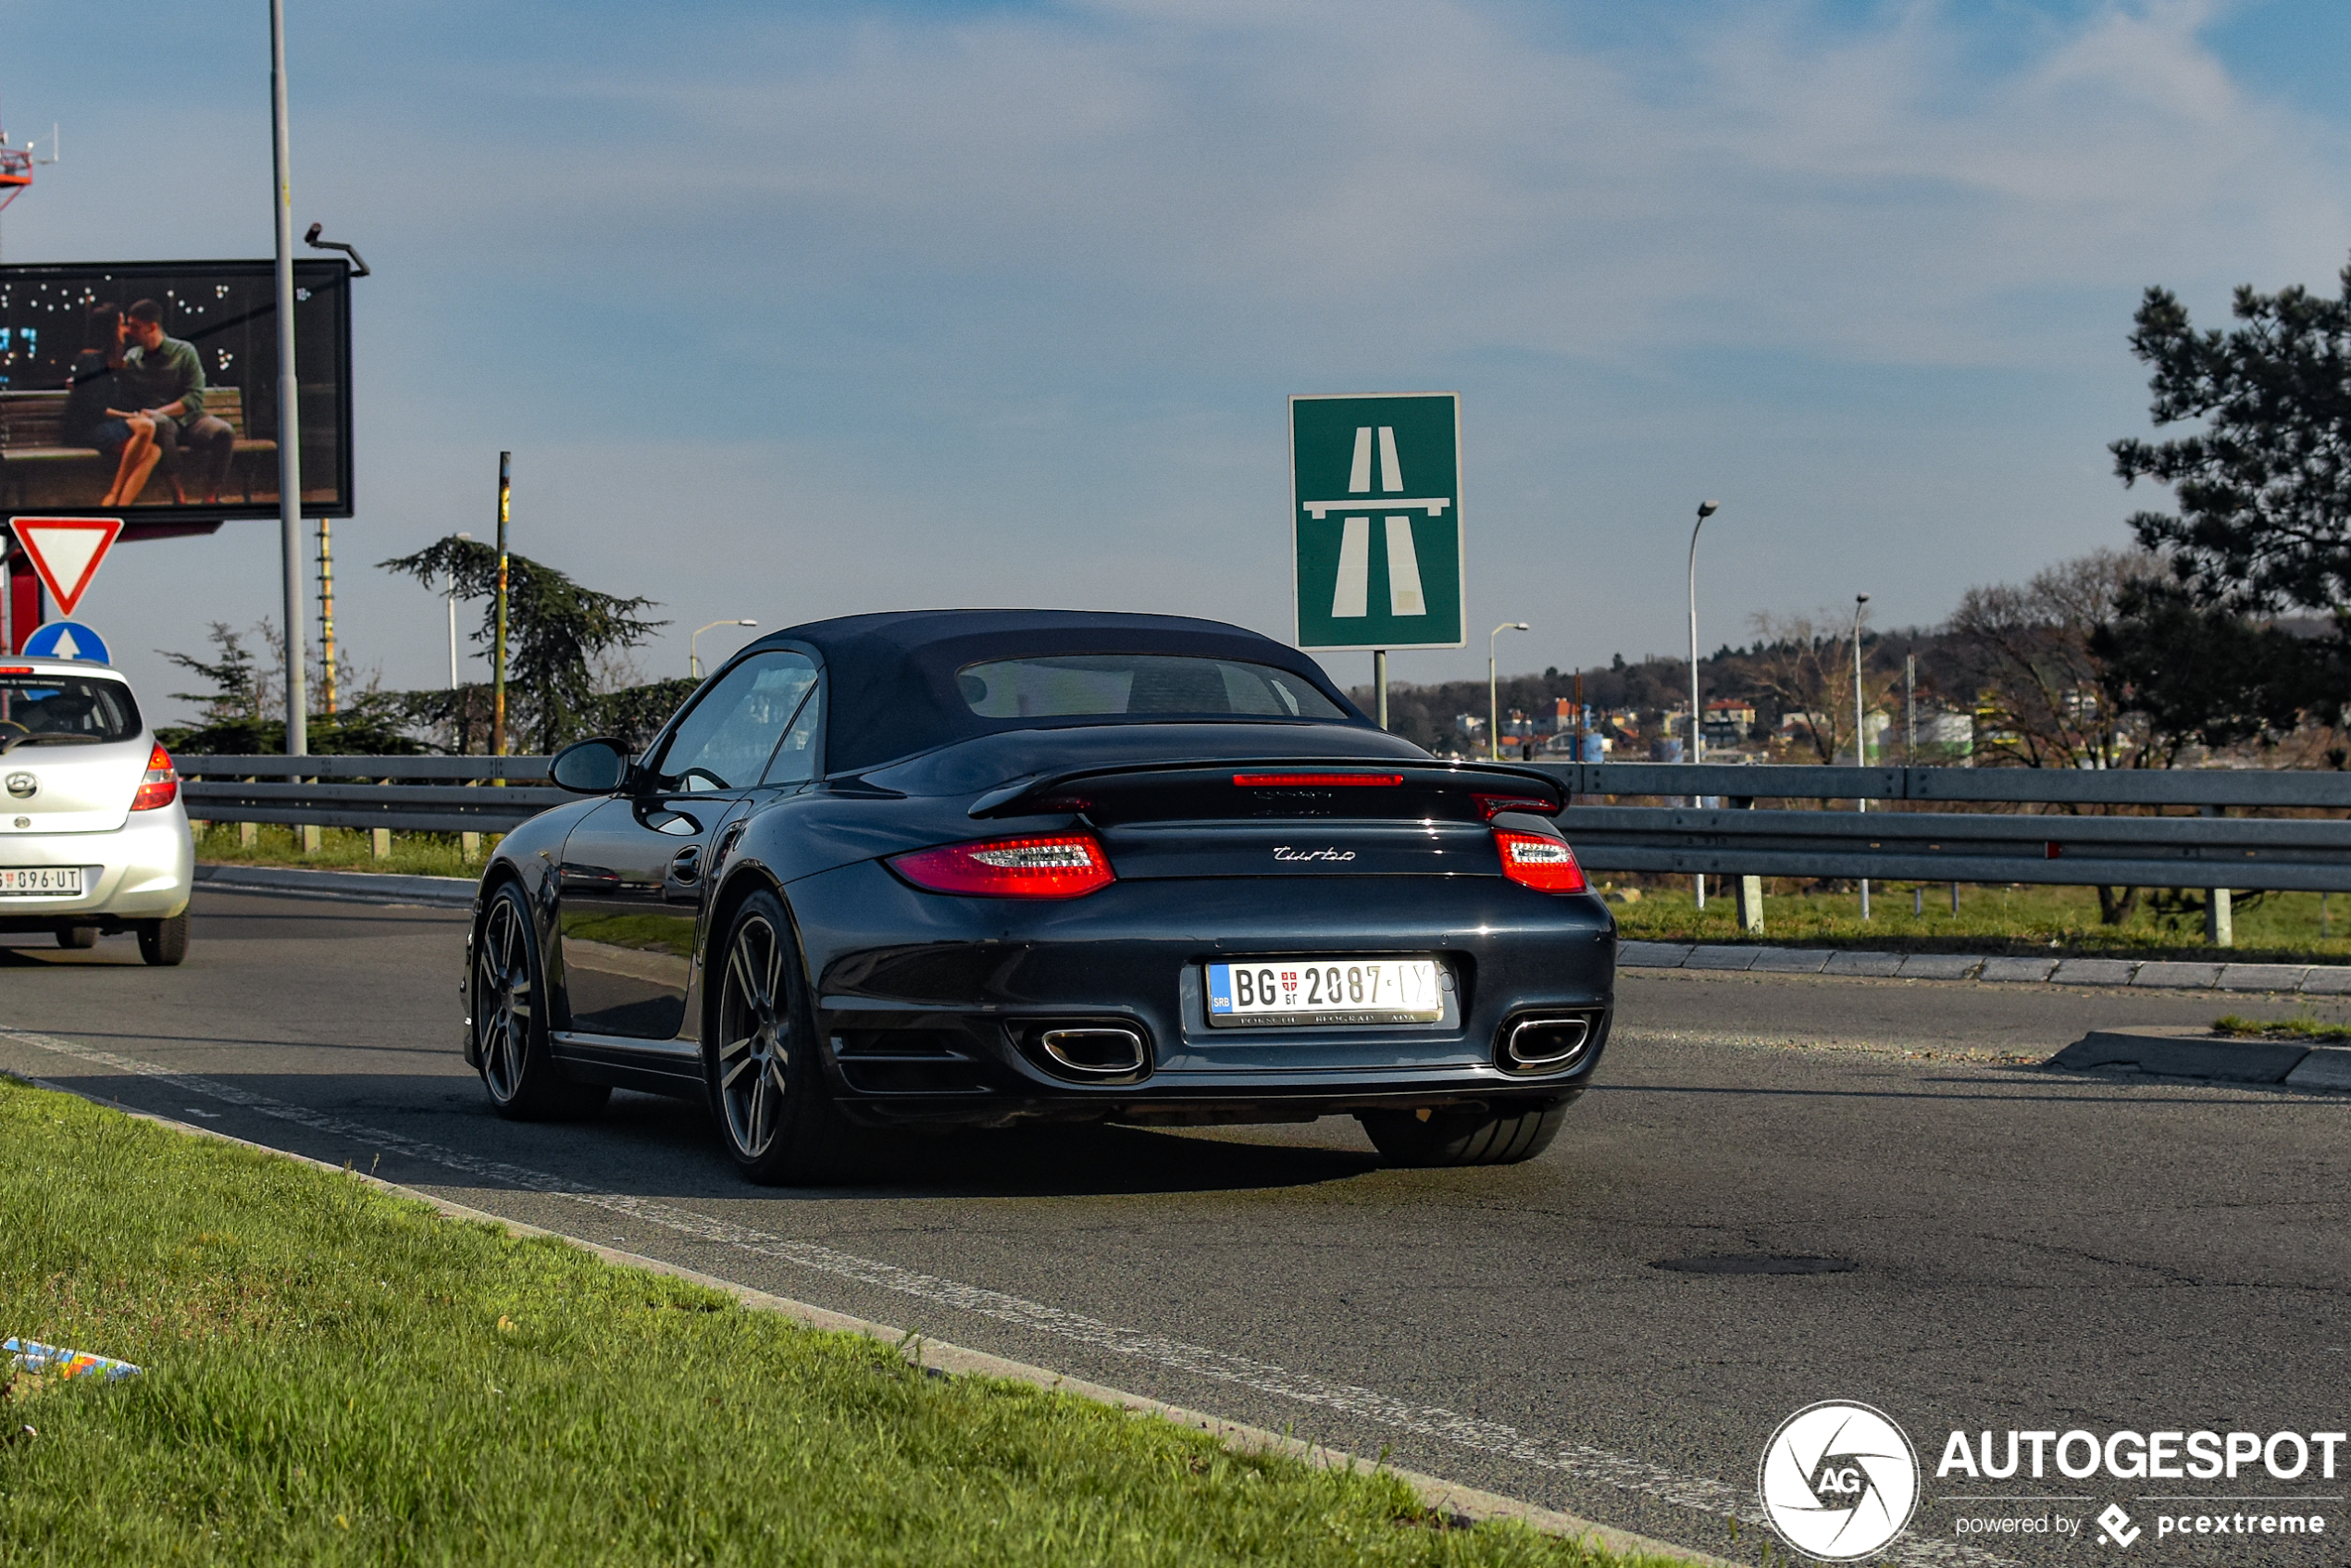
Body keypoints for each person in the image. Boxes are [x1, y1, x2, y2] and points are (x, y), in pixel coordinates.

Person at [118, 299, 235, 505]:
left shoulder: (184, 351)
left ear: (152, 327)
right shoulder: (133, 358)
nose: (129, 331)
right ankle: (178, 496)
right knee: (161, 424)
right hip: (162, 426)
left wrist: (160, 411)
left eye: (135, 326)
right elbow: (110, 376)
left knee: (224, 432)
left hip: (191, 419)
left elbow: (194, 398)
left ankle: (210, 495)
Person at [60, 303, 162, 507]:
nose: (125, 329)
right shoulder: (89, 359)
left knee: (154, 451)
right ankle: (114, 494)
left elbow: (117, 399)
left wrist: (136, 411)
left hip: (104, 426)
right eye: (122, 324)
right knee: (146, 427)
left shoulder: (111, 362)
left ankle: (121, 506)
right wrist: (131, 417)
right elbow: (95, 408)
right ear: (110, 329)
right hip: (87, 428)